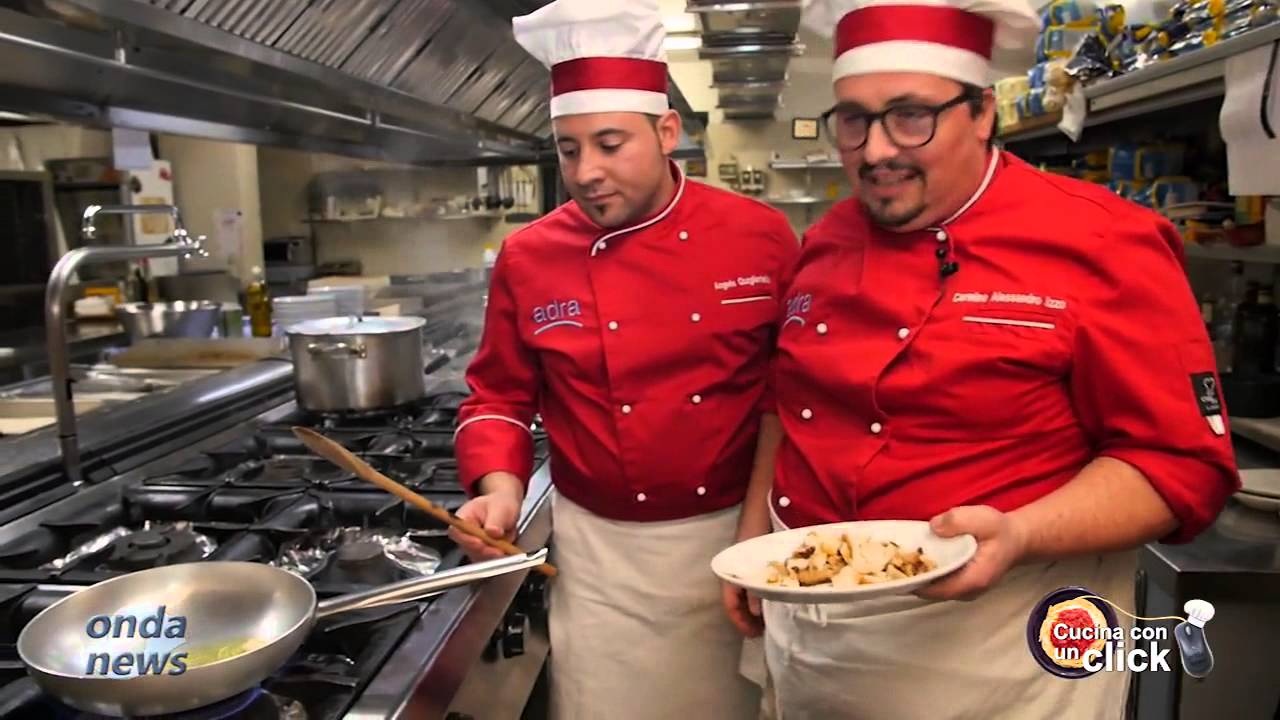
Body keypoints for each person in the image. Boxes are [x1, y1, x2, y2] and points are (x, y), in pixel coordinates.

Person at [724, 0, 1241, 718]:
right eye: (853, 119)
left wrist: (1021, 533)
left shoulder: (1102, 241)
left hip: (994, 643)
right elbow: (788, 401)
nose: (875, 151)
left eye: (911, 115)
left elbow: (1177, 464)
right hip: (807, 630)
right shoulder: (828, 239)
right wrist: (753, 537)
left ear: (982, 112)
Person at [450, 1, 799, 717]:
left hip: (737, 537)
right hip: (600, 556)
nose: (587, 171)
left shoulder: (759, 237)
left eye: (610, 144)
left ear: (667, 131)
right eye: (568, 148)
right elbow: (497, 397)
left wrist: (758, 531)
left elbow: (788, 396)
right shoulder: (529, 255)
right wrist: (501, 489)